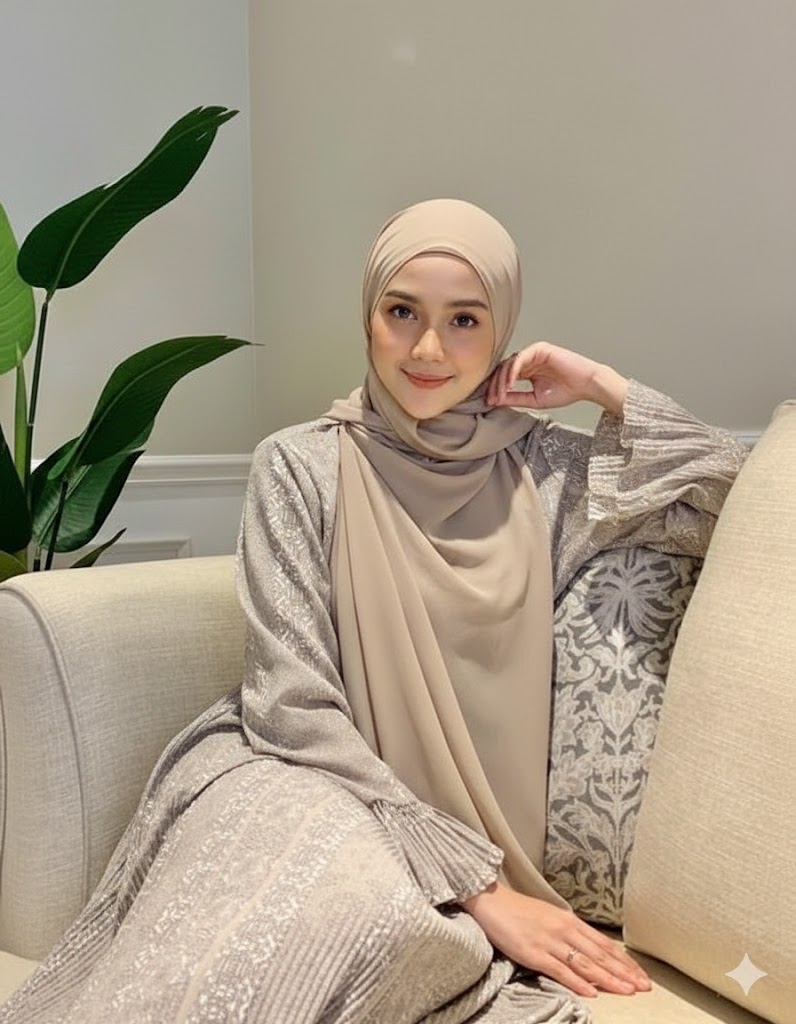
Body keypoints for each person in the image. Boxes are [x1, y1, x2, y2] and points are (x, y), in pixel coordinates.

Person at [1, 199, 748, 1023]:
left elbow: (747, 512)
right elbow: (291, 705)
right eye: (401, 312)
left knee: (381, 934)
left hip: (442, 844)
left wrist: (603, 388)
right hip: (305, 780)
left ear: (502, 330)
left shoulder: (553, 475)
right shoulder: (300, 465)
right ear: (367, 315)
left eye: (465, 320)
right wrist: (478, 886)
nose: (427, 349)